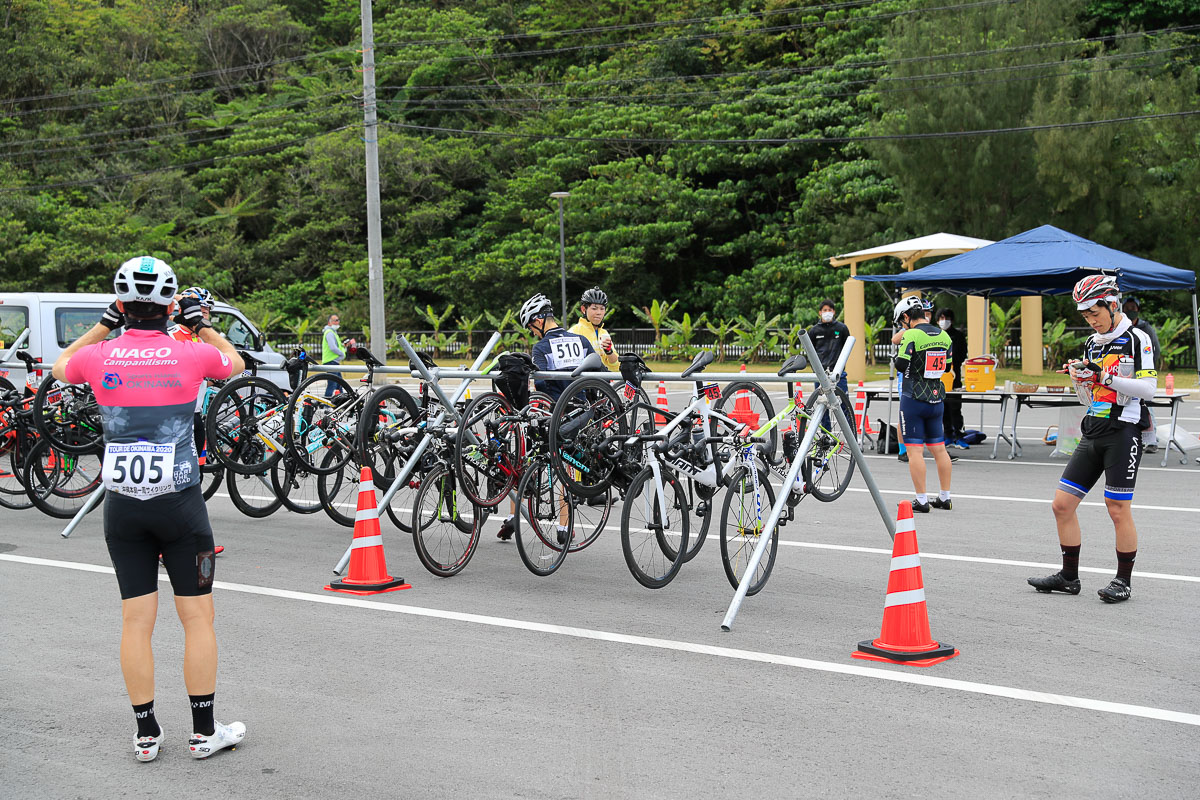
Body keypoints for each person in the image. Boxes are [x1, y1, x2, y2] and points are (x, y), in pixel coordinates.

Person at [52, 256, 247, 761]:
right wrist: (200, 323)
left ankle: (146, 734)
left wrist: (102, 325)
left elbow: (59, 366)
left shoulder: (100, 356)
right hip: (180, 506)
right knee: (198, 618)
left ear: (120, 305)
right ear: (170, 304)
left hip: (123, 509)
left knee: (135, 620)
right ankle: (205, 732)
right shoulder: (192, 353)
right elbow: (237, 363)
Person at [1028, 275, 1155, 603]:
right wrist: (1080, 379)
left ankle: (1123, 581)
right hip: (1093, 429)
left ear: (1112, 305)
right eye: (1085, 316)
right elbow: (1089, 398)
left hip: (1123, 432)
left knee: (1117, 507)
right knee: (1061, 505)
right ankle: (1069, 576)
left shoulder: (1135, 338)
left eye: (1094, 313)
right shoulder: (1092, 343)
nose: (1091, 321)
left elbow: (1148, 389)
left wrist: (1103, 375)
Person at [495, 294, 596, 542]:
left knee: (523, 453)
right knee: (567, 467)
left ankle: (513, 515)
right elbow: (597, 375)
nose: (532, 332)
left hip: (553, 412)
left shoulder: (541, 348)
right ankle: (564, 528)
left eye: (531, 326)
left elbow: (539, 384)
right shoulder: (580, 340)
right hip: (580, 411)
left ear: (539, 320)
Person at [168, 286, 224, 556]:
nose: (205, 316)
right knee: (180, 481)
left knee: (195, 478)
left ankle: (194, 539)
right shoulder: (173, 336)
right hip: (178, 417)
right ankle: (175, 543)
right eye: (201, 311)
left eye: (206, 312)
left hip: (196, 416)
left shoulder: (201, 339)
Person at [892, 296, 954, 512]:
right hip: (936, 398)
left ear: (907, 317)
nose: (902, 325)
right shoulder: (944, 335)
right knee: (940, 449)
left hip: (913, 399)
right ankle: (945, 497)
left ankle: (922, 499)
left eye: (902, 321)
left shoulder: (911, 335)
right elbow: (947, 367)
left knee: (915, 451)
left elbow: (901, 365)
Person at [1121, 296, 1162, 453]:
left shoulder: (1146, 328)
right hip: (1125, 371)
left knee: (1146, 404)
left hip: (1141, 371)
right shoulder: (1120, 328)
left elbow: (1155, 350)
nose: (1130, 311)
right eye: (1127, 307)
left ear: (1137, 309)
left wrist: (1145, 367)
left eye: (1133, 308)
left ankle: (1151, 440)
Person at [936, 308, 968, 446]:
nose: (944, 321)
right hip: (939, 378)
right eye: (941, 318)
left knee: (955, 408)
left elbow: (961, 355)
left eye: (946, 318)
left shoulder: (958, 336)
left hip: (954, 377)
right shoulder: (935, 335)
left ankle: (959, 436)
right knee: (943, 408)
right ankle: (947, 434)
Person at [809, 297, 850, 403]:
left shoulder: (841, 329)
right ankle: (824, 421)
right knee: (822, 404)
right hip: (820, 373)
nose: (827, 313)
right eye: (825, 310)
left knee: (844, 403)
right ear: (820, 312)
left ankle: (848, 420)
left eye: (830, 310)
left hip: (838, 373)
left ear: (834, 312)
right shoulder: (814, 331)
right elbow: (810, 351)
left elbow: (846, 347)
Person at [569, 286, 618, 371]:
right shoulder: (573, 333)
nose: (599, 313)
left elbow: (616, 366)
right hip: (582, 382)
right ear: (583, 309)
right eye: (594, 308)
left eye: (602, 309)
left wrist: (609, 351)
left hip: (603, 381)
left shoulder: (604, 333)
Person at [320, 314, 353, 398]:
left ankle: (341, 403)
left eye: (338, 320)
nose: (338, 322)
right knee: (333, 384)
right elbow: (333, 348)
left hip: (333, 361)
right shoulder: (329, 333)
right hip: (331, 361)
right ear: (329, 323)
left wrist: (343, 346)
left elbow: (336, 346)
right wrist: (342, 354)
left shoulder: (333, 333)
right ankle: (326, 405)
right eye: (335, 320)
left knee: (339, 384)